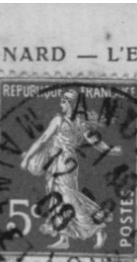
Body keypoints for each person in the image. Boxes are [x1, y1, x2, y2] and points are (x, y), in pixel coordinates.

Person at [20, 87, 121, 251]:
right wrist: (109, 150)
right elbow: (95, 142)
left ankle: (97, 229)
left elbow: (43, 140)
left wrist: (26, 158)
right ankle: (64, 237)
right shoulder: (79, 122)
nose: (62, 103)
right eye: (62, 100)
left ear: (71, 104)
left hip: (62, 161)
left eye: (65, 101)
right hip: (62, 161)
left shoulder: (60, 120)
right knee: (57, 197)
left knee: (68, 198)